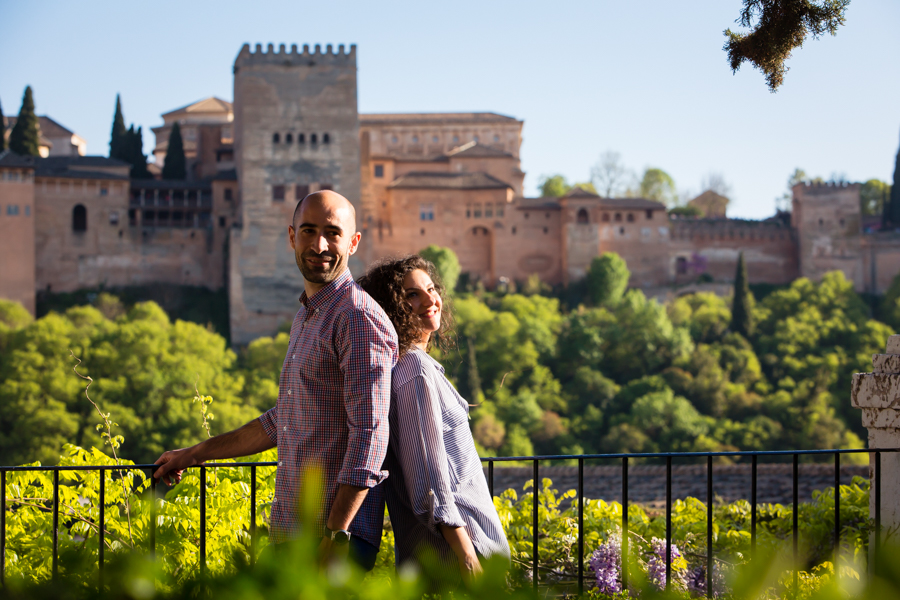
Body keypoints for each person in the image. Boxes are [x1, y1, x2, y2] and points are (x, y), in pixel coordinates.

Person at [153, 191, 398, 570]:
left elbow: (370, 434)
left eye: (333, 233)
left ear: (353, 242)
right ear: (291, 236)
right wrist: (195, 453)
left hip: (329, 539)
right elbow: (282, 419)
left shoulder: (356, 317)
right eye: (308, 231)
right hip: (293, 531)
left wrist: (336, 537)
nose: (319, 245)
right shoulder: (307, 316)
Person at [357, 256, 510, 583]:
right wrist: (468, 557)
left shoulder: (410, 367)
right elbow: (429, 480)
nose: (430, 300)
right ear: (391, 307)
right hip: (456, 557)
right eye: (412, 295)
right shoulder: (415, 370)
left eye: (431, 288)